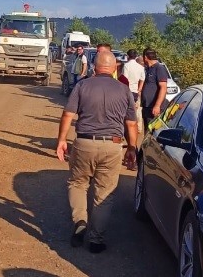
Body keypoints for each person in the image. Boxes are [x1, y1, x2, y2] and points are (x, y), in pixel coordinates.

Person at [56, 51, 137, 253]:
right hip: (112, 146)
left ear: (94, 66)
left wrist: (61, 140)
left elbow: (68, 114)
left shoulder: (83, 85)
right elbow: (131, 123)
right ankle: (96, 239)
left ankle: (80, 221)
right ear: (115, 68)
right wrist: (132, 148)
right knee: (105, 194)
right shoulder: (124, 90)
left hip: (84, 142)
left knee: (77, 183)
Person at [140, 48, 168, 133]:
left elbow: (163, 87)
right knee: (147, 131)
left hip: (154, 108)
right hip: (147, 107)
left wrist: (157, 105)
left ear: (145, 57)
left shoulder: (159, 68)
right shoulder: (149, 69)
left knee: (153, 133)